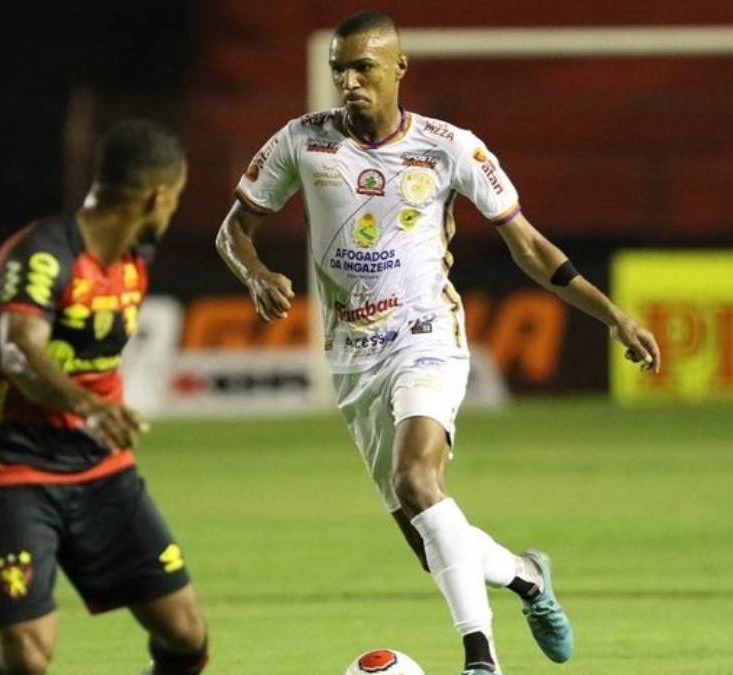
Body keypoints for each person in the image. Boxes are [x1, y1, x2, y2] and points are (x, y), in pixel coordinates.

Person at [216, 11, 661, 675]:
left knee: (417, 478)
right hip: (351, 356)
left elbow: (529, 246)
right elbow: (232, 231)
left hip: (427, 336)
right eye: (339, 69)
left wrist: (612, 315)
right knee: (431, 540)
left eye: (363, 67)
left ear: (399, 67)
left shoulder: (449, 148)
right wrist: (254, 274)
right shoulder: (302, 141)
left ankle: (481, 658)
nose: (349, 82)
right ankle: (526, 575)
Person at [0, 120, 209, 675]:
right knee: (26, 656)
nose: (173, 210)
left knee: (185, 635)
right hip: (12, 465)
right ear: (156, 197)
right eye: (176, 197)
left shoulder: (134, 256)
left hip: (100, 468)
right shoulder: (43, 255)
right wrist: (90, 407)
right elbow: (19, 353)